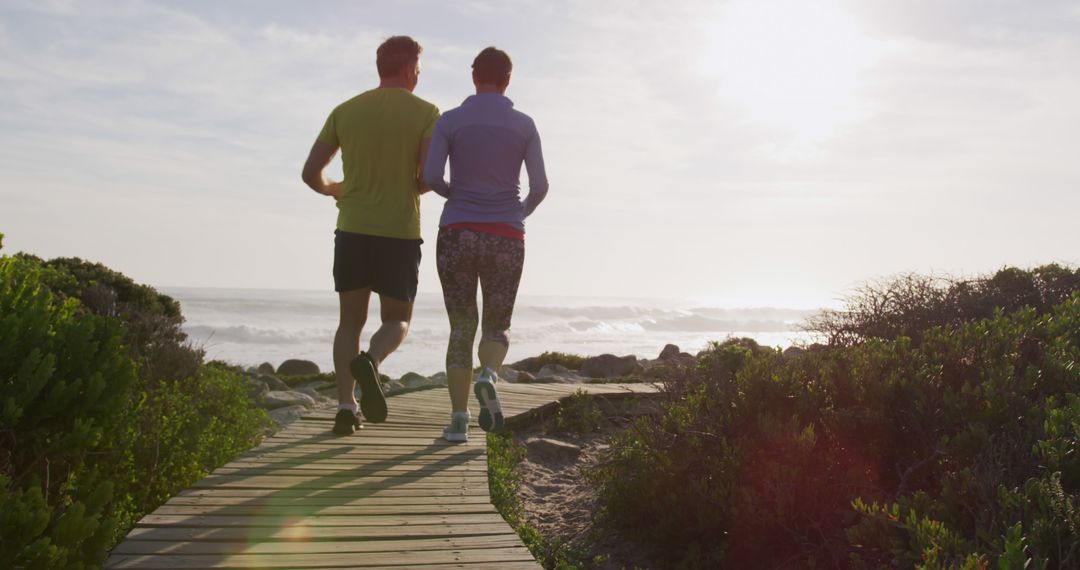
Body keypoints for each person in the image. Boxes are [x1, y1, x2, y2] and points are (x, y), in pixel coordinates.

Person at [302, 36, 440, 435]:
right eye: (418, 67)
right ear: (411, 67)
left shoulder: (346, 111)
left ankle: (346, 408)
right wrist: (409, 186)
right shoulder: (426, 112)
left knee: (350, 322)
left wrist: (335, 188)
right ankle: (373, 361)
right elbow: (429, 176)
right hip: (398, 230)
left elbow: (311, 172)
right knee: (397, 319)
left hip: (352, 228)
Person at [422, 47, 549, 442]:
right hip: (507, 235)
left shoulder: (451, 120)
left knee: (461, 326)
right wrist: (518, 212)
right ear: (508, 79)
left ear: (473, 76)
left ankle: (458, 422)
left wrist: (454, 196)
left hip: (457, 233)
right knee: (498, 323)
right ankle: (490, 375)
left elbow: (430, 176)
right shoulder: (525, 124)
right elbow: (541, 186)